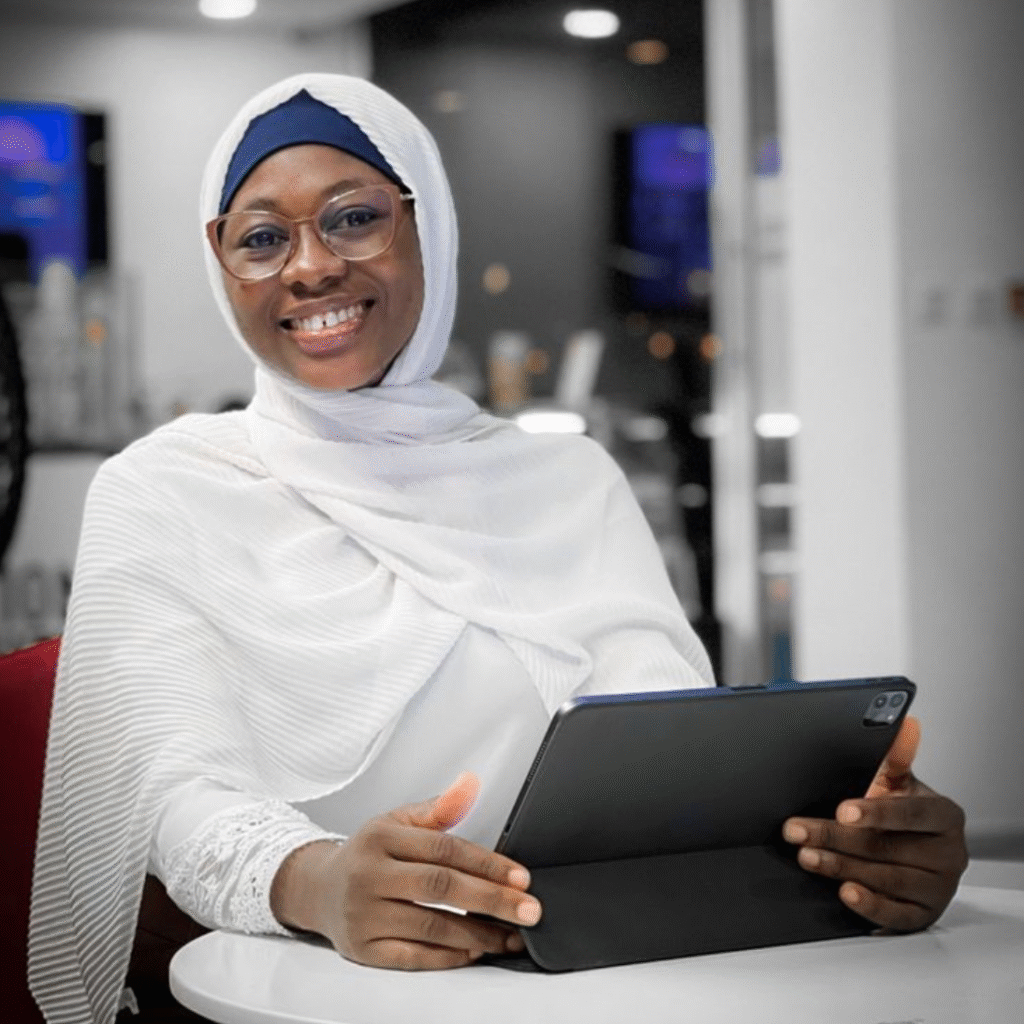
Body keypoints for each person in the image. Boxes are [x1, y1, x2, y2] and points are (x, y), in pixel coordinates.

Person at [28, 74, 967, 1024]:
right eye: (262, 238)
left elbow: (664, 754)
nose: (309, 268)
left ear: (428, 226)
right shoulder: (168, 489)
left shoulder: (565, 482)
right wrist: (318, 882)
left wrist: (849, 845)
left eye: (354, 219)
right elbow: (170, 793)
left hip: (592, 979)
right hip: (309, 995)